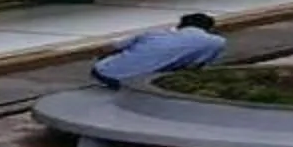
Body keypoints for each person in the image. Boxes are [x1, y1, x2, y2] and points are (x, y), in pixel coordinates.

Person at [90, 12, 226, 89]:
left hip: (102, 72)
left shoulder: (154, 33)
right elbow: (197, 67)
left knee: (127, 49)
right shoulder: (216, 42)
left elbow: (108, 49)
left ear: (180, 25)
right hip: (138, 83)